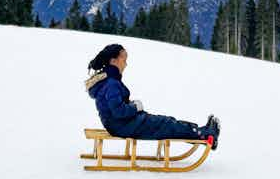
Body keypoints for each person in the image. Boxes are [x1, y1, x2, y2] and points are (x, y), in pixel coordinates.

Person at [85, 43, 220, 149]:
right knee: (166, 124)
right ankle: (205, 135)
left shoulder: (108, 80)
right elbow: (118, 111)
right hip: (123, 126)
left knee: (166, 122)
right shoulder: (111, 83)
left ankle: (202, 131)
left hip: (123, 124)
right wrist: (135, 107)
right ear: (113, 61)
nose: (126, 64)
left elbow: (115, 108)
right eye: (124, 59)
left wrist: (132, 106)